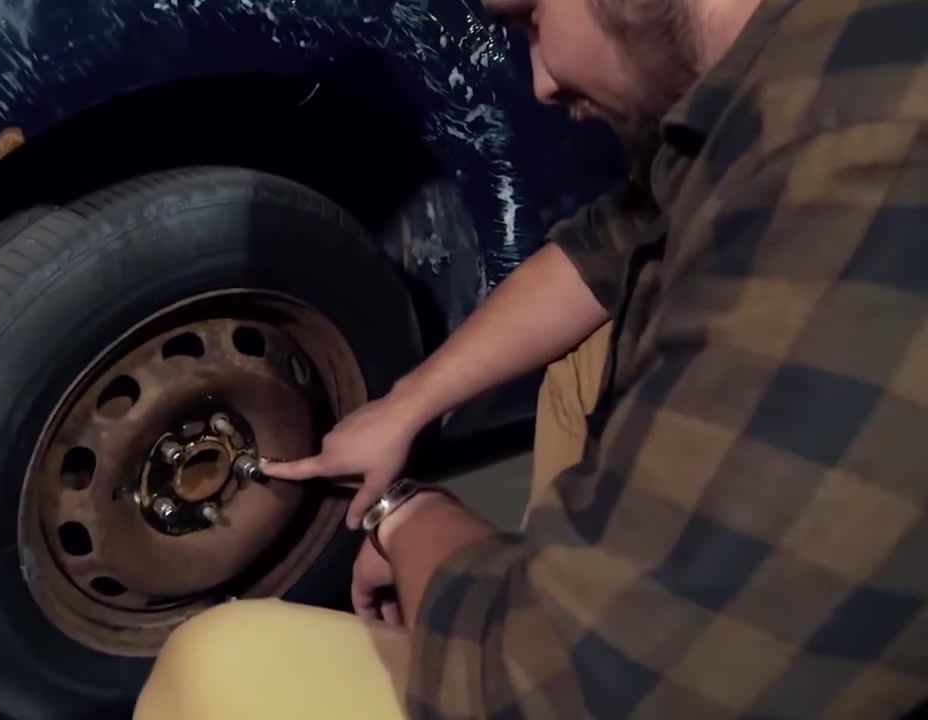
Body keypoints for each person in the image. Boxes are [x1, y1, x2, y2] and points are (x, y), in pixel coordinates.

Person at [134, 0, 928, 717]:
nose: (541, 81)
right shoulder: (784, 66)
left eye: (528, 21)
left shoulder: (852, 169)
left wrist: (405, 519)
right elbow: (607, 247)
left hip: (609, 680)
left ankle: (552, 587)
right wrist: (405, 407)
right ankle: (564, 570)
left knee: (224, 668)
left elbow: (564, 684)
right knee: (582, 365)